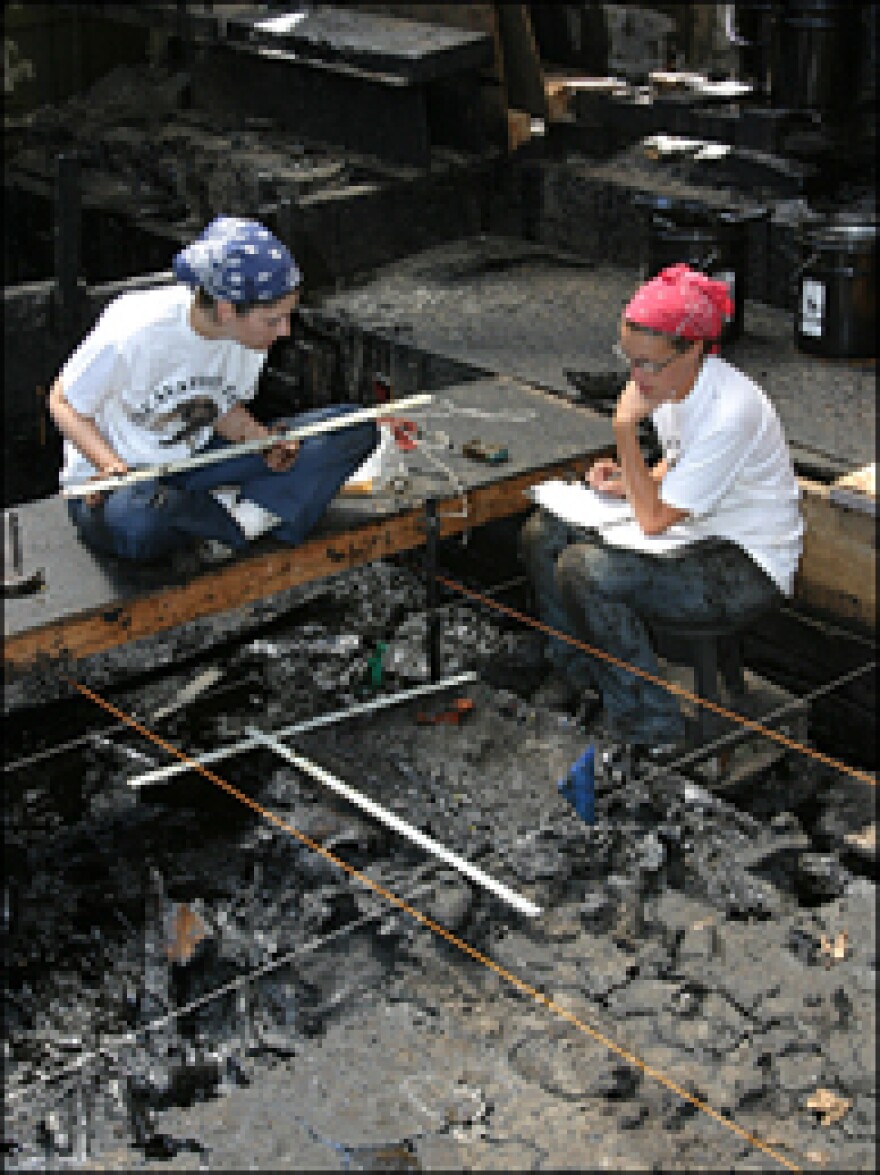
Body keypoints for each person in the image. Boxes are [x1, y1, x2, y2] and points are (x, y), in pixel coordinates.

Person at [520, 263, 804, 757]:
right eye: (631, 361)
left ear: (694, 349)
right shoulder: (675, 385)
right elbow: (672, 468)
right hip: (693, 531)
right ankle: (577, 672)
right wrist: (628, 482)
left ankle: (649, 725)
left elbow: (654, 520)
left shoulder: (729, 410)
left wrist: (625, 431)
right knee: (542, 533)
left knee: (587, 571)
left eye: (650, 363)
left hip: (743, 564)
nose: (639, 376)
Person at [49, 216, 378, 564]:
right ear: (226, 309)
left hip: (195, 460)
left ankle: (230, 524)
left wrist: (258, 438)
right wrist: (112, 467)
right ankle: (237, 514)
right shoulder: (134, 328)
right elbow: (63, 401)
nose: (284, 331)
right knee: (138, 521)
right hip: (127, 483)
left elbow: (218, 405)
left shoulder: (249, 338)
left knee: (351, 427)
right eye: (273, 320)